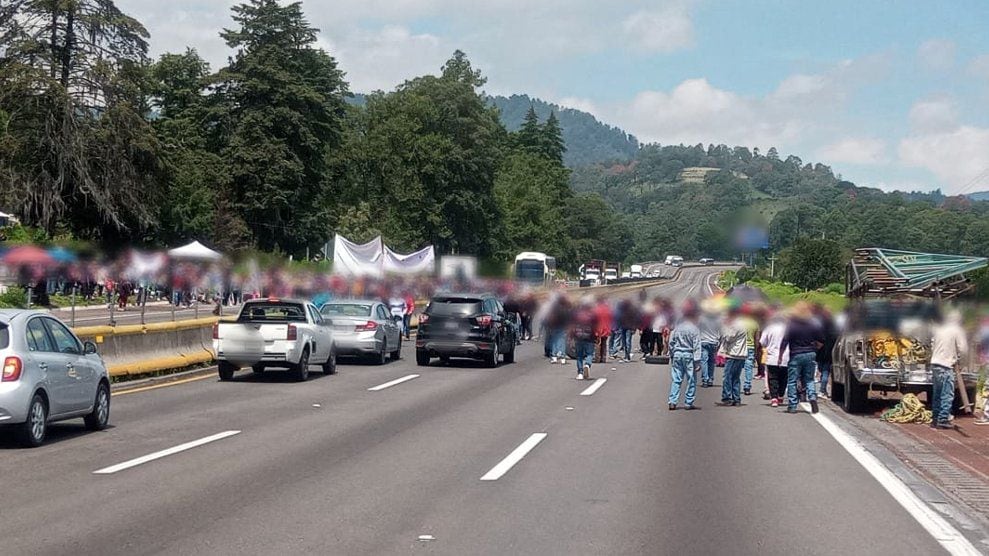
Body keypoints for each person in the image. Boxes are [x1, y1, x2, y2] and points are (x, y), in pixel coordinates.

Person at [781, 302, 825, 414]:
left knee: (792, 380)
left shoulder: (792, 325)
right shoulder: (813, 324)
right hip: (810, 353)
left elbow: (785, 340)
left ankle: (792, 405)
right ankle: (812, 397)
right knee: (809, 379)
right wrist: (815, 349)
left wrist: (781, 354)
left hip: (796, 354)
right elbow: (821, 340)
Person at [929, 309, 968, 430]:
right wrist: (958, 358)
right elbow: (963, 348)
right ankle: (943, 419)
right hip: (946, 365)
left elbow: (932, 344)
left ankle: (935, 418)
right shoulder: (957, 330)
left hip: (935, 363)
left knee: (937, 393)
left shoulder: (940, 329)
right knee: (947, 394)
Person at [668, 301, 702, 410]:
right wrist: (697, 362)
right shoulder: (694, 329)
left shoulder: (677, 328)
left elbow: (671, 342)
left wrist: (672, 354)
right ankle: (688, 402)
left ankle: (673, 401)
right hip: (689, 355)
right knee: (691, 379)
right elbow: (697, 346)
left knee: (676, 379)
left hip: (678, 354)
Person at [719, 304, 749, 406]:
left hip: (733, 353)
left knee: (727, 376)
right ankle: (736, 398)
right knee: (736, 377)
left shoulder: (736, 324)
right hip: (741, 354)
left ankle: (727, 397)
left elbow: (729, 337)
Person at [760, 309, 789, 408]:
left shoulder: (769, 328)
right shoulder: (788, 328)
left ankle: (774, 398)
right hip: (786, 357)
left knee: (773, 378)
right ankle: (780, 395)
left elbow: (762, 342)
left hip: (772, 357)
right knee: (783, 377)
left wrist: (769, 345)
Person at [698, 299, 721, 387]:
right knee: (712, 361)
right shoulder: (718, 319)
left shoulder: (701, 318)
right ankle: (710, 379)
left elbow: (697, 329)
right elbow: (721, 331)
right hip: (714, 341)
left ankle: (705, 379)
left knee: (704, 361)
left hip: (703, 341)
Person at [572, 297, 596, 380]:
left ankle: (580, 373)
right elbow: (595, 327)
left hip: (578, 337)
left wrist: (572, 335)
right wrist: (596, 336)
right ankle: (587, 364)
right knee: (589, 354)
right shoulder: (592, 315)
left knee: (579, 356)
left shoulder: (576, 314)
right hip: (589, 337)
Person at [593, 297, 612, 364]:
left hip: (598, 328)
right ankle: (603, 358)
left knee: (597, 344)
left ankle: (597, 358)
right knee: (604, 344)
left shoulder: (596, 310)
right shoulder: (607, 309)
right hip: (606, 329)